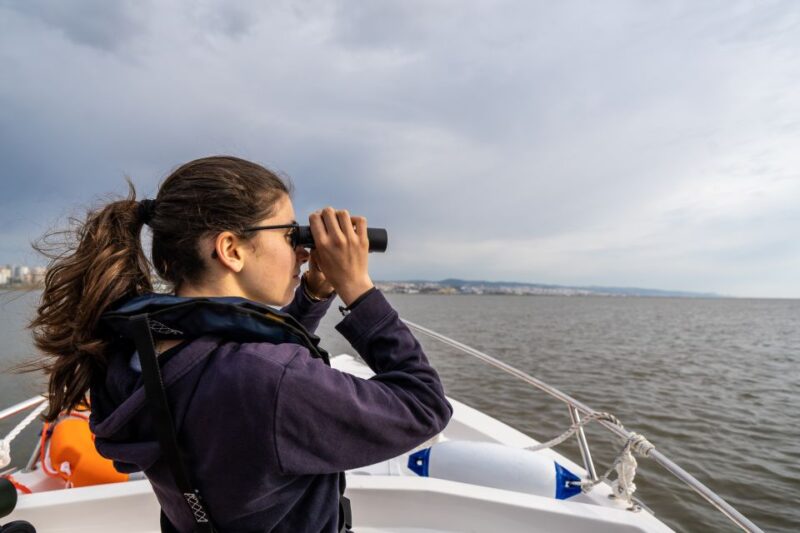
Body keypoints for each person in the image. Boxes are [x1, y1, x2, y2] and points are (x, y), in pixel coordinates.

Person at [29, 156, 453, 532]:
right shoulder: (268, 380)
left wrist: (315, 296)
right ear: (231, 249)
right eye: (290, 235)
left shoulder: (133, 348)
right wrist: (357, 287)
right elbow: (423, 406)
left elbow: (233, 354)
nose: (303, 252)